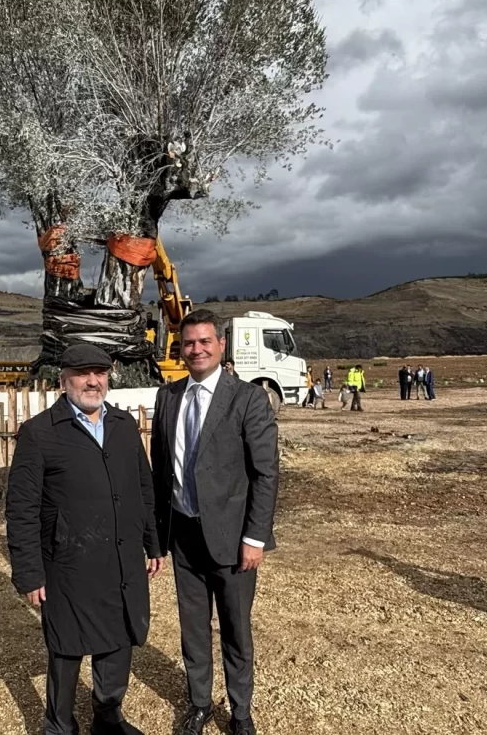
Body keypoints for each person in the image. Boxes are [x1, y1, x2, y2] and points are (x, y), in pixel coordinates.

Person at [6, 344, 162, 735]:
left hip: (121, 555)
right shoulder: (40, 433)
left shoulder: (124, 425)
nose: (93, 381)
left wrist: (153, 541)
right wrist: (29, 572)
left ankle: (108, 717)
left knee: (118, 635)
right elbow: (21, 509)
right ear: (64, 380)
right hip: (68, 561)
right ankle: (59, 725)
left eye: (100, 373)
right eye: (82, 373)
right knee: (67, 644)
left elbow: (143, 487)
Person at [150, 309, 279, 735]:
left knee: (235, 629)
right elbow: (160, 471)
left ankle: (240, 711)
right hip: (183, 535)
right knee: (192, 629)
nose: (197, 349)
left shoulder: (247, 399)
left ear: (221, 345)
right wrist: (157, 537)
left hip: (232, 538)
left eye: (205, 341)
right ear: (180, 348)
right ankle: (200, 703)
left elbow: (265, 473)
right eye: (189, 343)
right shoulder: (168, 397)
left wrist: (255, 537)